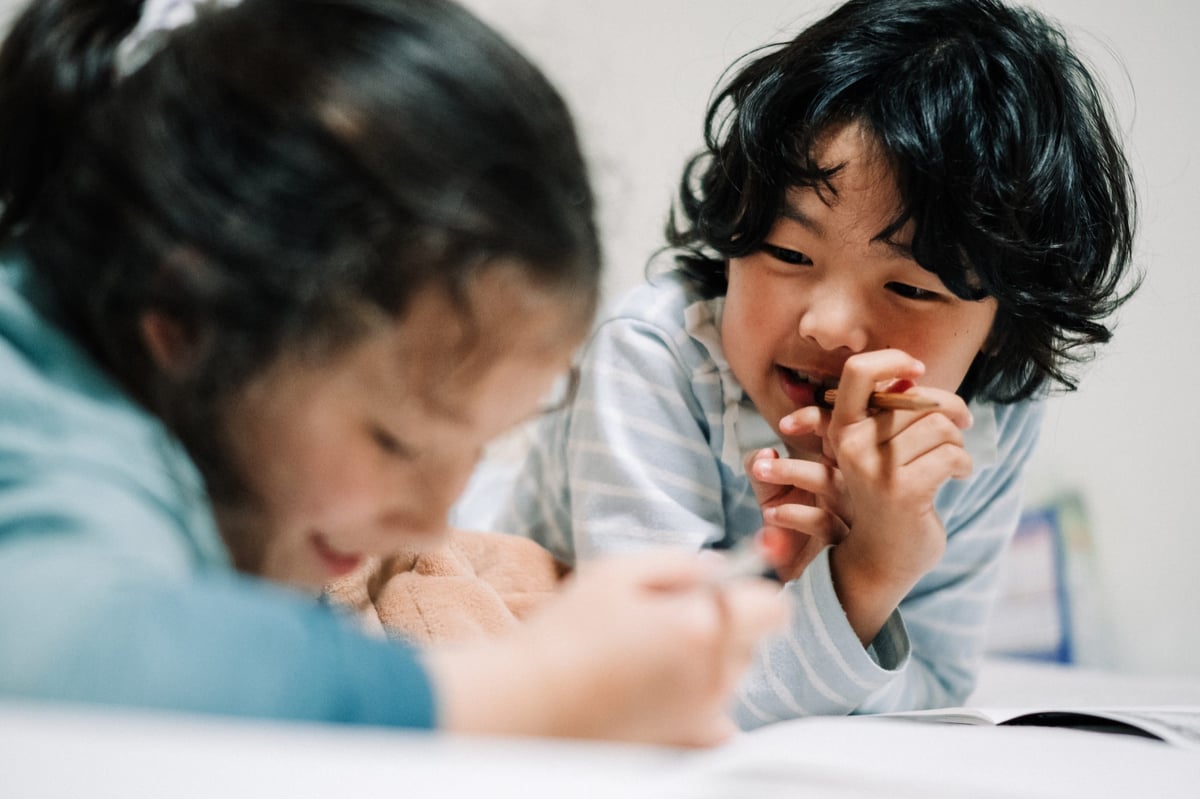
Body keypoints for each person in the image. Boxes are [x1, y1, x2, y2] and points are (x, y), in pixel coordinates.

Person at [0, 0, 785, 747]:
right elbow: (67, 660)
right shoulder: (45, 415)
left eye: (479, 449)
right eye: (396, 443)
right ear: (185, 319)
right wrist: (543, 686)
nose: (429, 524)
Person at [493, 0, 1138, 728]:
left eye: (909, 287)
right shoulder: (657, 356)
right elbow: (653, 685)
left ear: (1000, 325)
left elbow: (932, 688)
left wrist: (854, 574)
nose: (827, 326)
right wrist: (867, 576)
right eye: (789, 253)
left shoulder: (987, 423)